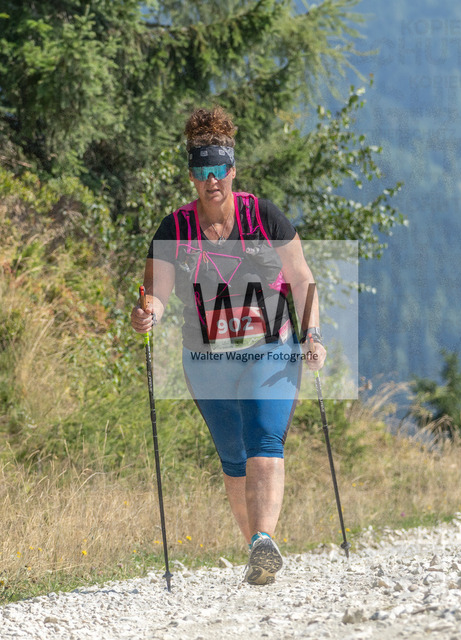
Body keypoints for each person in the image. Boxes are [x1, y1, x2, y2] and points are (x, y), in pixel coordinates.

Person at [131, 106, 326, 585]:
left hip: (270, 345)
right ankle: (256, 552)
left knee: (264, 438)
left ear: (232, 169)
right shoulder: (174, 229)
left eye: (218, 169)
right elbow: (156, 292)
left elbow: (301, 279)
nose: (211, 180)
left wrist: (312, 335)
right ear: (191, 176)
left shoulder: (263, 216)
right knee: (233, 457)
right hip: (207, 355)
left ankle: (263, 539)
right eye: (201, 171)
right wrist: (148, 312)